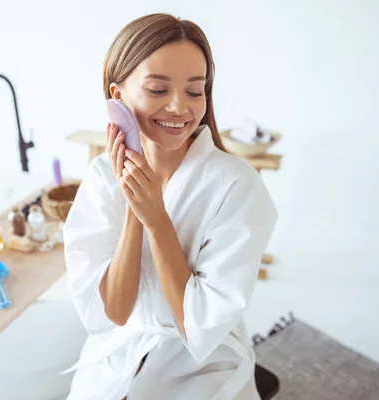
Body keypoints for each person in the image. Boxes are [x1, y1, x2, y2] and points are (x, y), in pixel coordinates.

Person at [60, 13, 278, 400]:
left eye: (195, 91)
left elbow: (198, 325)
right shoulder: (101, 177)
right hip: (122, 348)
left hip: (202, 363)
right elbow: (116, 312)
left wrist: (158, 219)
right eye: (158, 89)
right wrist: (134, 203)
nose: (180, 107)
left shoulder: (239, 187)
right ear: (118, 97)